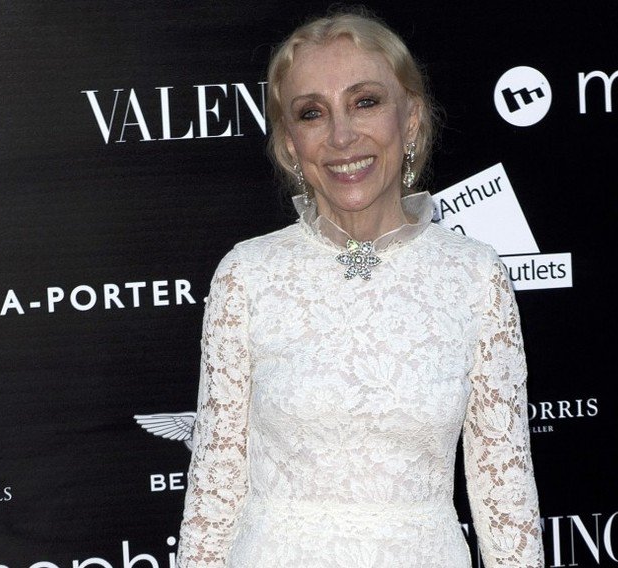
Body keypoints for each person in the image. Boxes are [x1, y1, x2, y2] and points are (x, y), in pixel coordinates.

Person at [177, 9, 543, 568]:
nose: (342, 136)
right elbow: (214, 489)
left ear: (411, 119)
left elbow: (506, 497)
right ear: (290, 144)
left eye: (365, 102)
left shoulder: (475, 277)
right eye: (312, 113)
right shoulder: (247, 275)